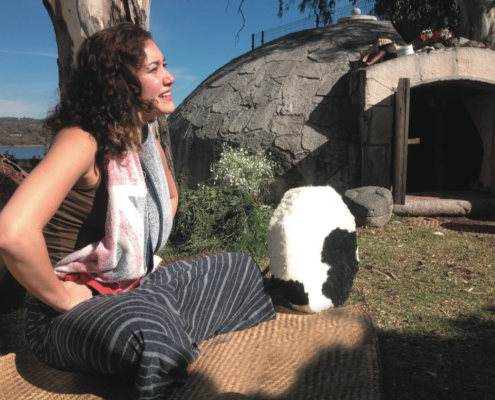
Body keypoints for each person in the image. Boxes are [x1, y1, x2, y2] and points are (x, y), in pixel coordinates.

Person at [0, 22, 275, 400]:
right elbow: (12, 233)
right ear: (117, 83)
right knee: (151, 336)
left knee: (240, 269)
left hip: (135, 284)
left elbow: (170, 199)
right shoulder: (82, 138)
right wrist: (63, 299)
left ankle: (157, 319)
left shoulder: (143, 135)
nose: (169, 77)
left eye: (165, 66)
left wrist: (135, 260)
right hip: (66, 311)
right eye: (154, 69)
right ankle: (158, 331)